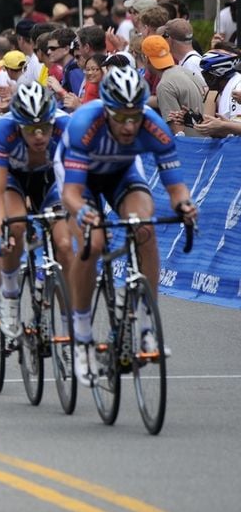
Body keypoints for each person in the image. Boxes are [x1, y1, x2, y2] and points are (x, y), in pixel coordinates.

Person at [59, 66, 197, 387]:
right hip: (81, 182)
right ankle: (81, 335)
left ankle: (147, 325)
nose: (129, 125)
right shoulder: (84, 125)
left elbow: (176, 188)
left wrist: (185, 205)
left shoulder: (154, 126)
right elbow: (71, 194)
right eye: (121, 117)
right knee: (93, 243)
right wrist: (84, 214)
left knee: (144, 228)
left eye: (135, 116)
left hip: (122, 173)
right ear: (106, 111)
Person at [0, 83, 72, 339]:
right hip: (14, 180)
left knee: (65, 246)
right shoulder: (2, 129)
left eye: (44, 128)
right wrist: (1, 230)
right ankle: (10, 296)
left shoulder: (66, 126)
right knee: (15, 227)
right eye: (30, 129)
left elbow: (77, 183)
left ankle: (69, 320)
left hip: (50, 182)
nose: (38, 135)